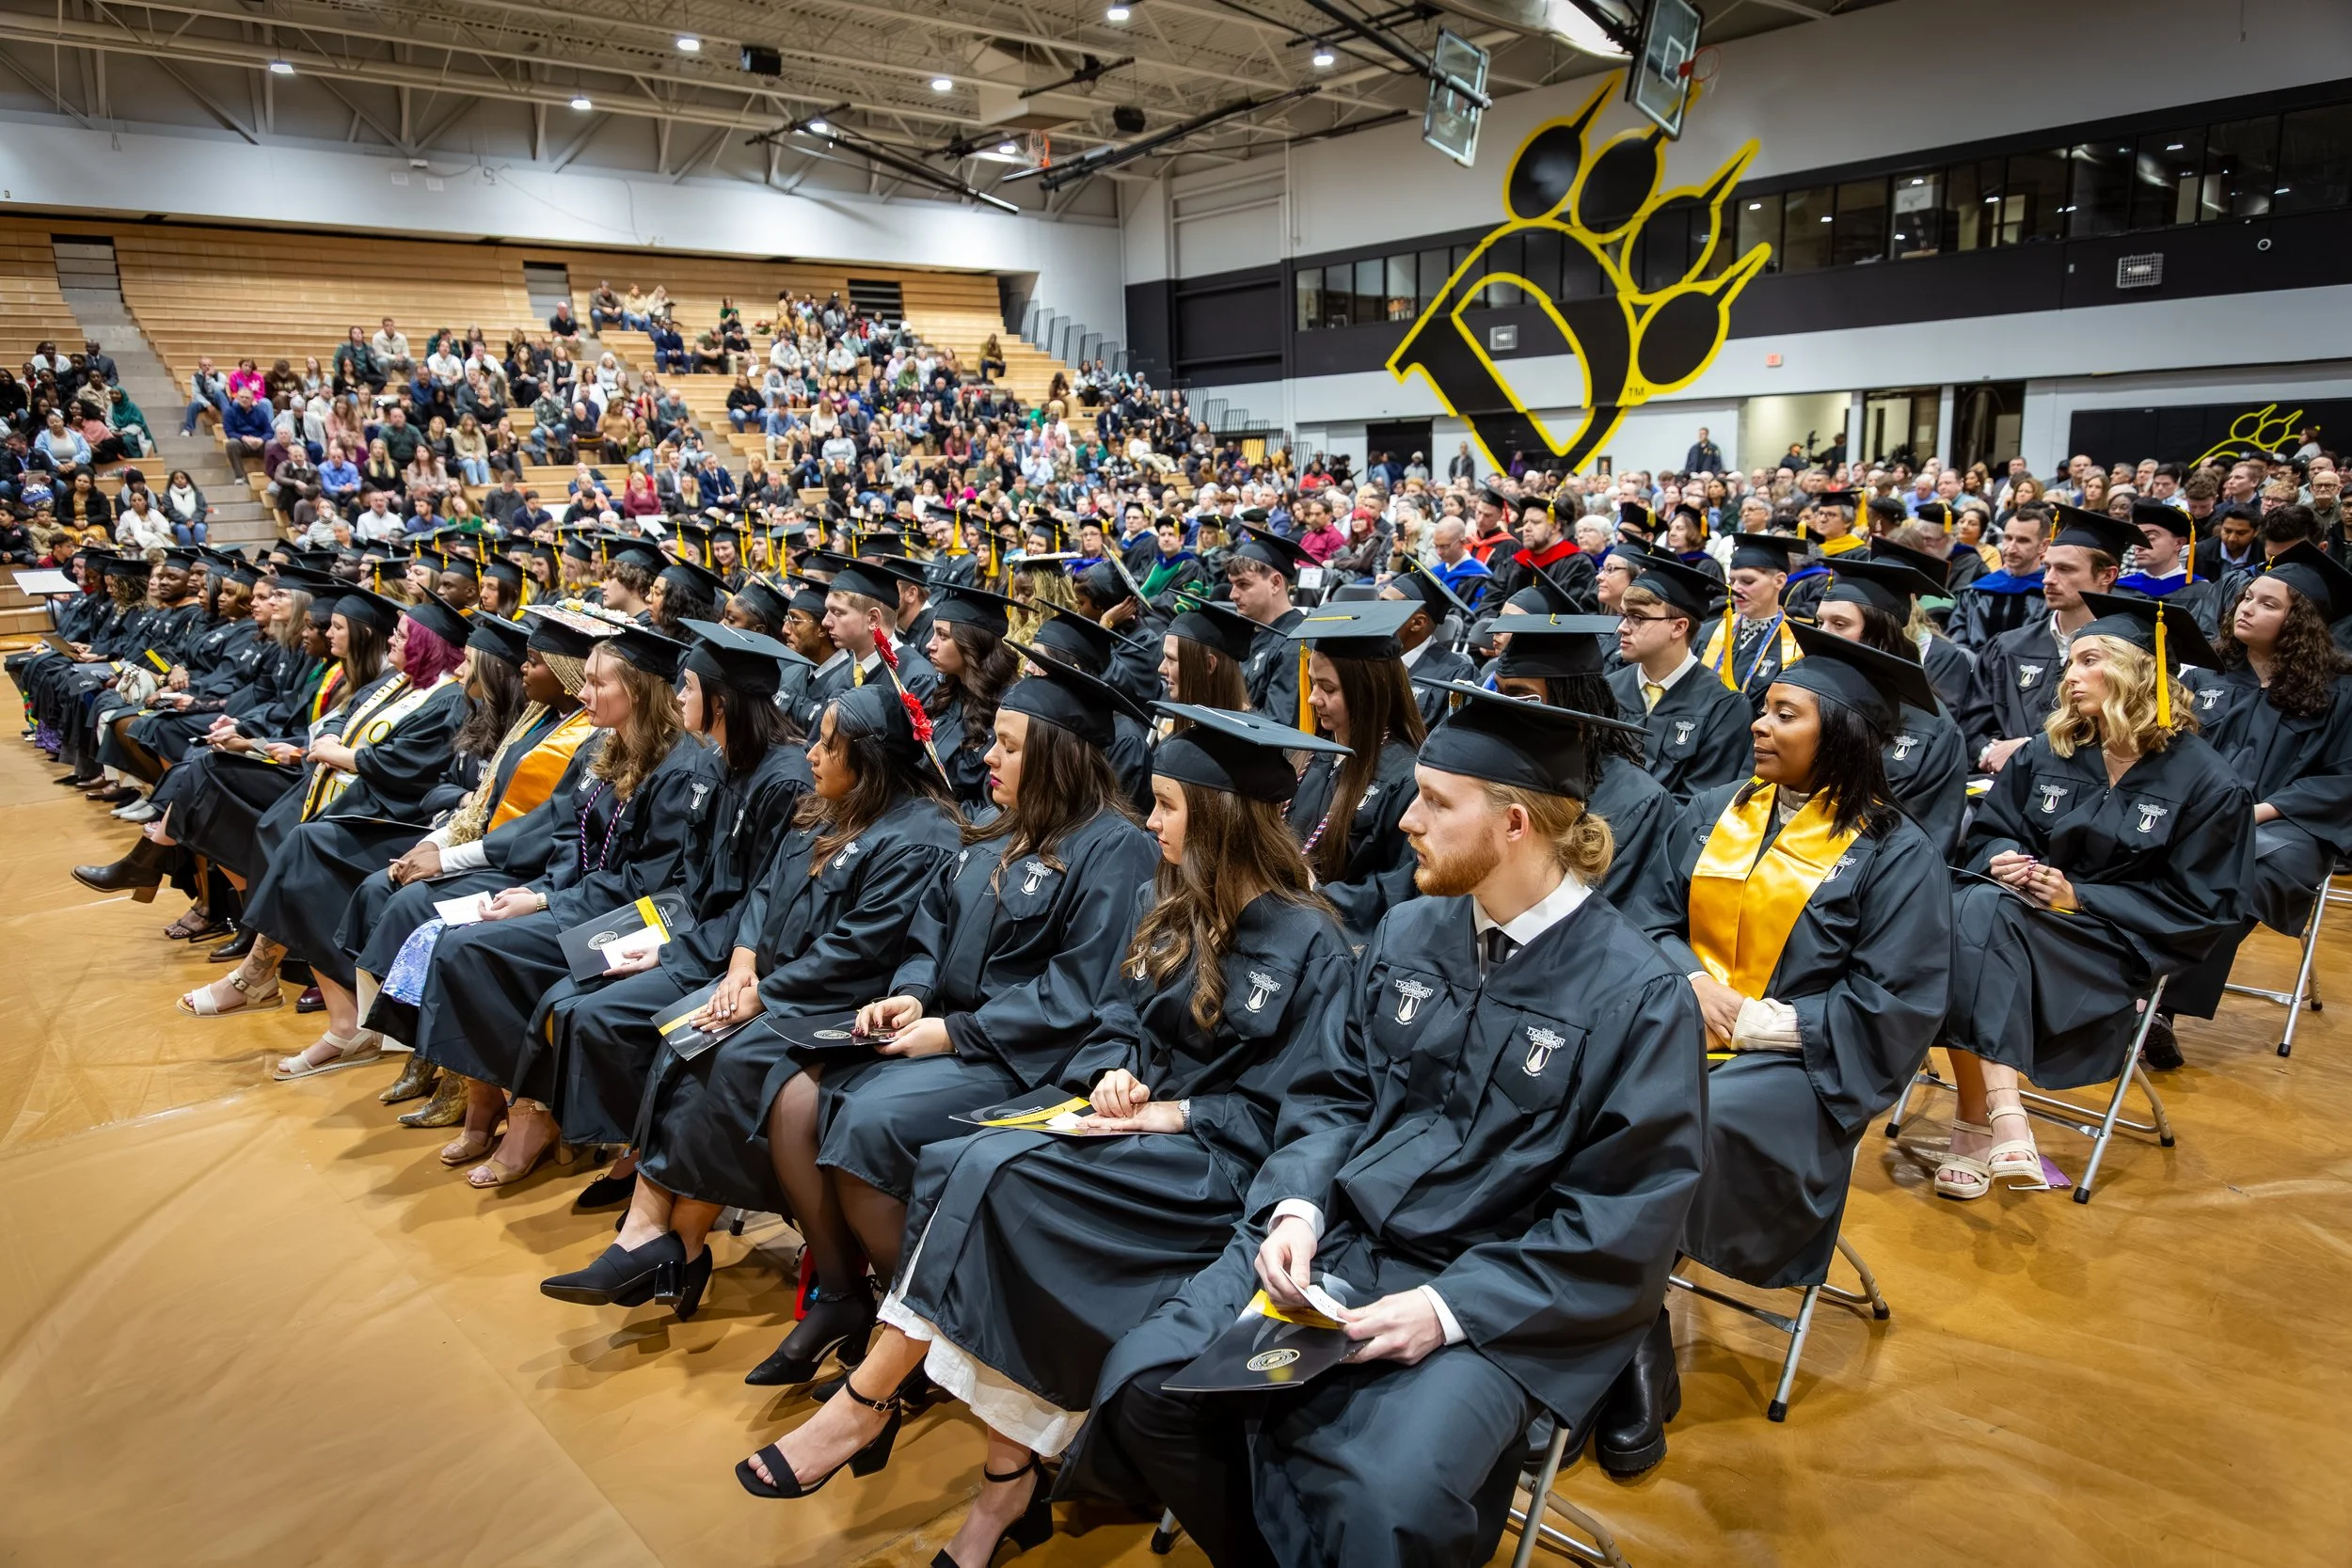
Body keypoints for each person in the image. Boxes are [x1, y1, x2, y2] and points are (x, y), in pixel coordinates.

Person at [1081, 688, 1706, 1563]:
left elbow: (1622, 1219)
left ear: (1515, 823)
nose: (1407, 820)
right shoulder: (1410, 932)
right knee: (1145, 1383)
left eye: (1437, 802)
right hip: (1341, 1242)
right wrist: (1297, 1207)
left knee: (1387, 1495)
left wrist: (1449, 1309)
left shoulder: (1637, 997)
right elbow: (1333, 1093)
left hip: (1495, 1297)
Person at [730, 705, 1353, 1568]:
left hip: (1214, 1164)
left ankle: (874, 1401)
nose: (1151, 821)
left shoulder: (1312, 942)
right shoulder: (1168, 900)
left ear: (1219, 818)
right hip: (1127, 1125)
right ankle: (999, 1473)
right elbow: (1114, 1018)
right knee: (966, 1160)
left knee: (998, 1178)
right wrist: (1115, 1071)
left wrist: (1176, 1111)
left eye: (1169, 806)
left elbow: (1306, 1108)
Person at [740, 648, 1161, 1387]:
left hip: (1024, 1057)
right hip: (945, 1030)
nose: (987, 756)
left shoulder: (1114, 848)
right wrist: (912, 992)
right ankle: (841, 1293)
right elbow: (931, 923)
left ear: (1058, 757)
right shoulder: (994, 821)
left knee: (864, 1123)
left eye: (1009, 746)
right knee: (795, 1094)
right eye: (993, 740)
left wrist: (953, 1031)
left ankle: (919, 1336)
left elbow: (1079, 988)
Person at [1623, 626, 1951, 1445]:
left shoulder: (1895, 850)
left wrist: (1758, 1022)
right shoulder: (1715, 809)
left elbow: (1896, 1000)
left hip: (1801, 1066)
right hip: (1676, 1022)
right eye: (1762, 710)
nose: (1759, 726)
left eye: (1784, 714)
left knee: (1679, 1122)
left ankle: (1623, 1334)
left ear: (1840, 734)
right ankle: (1626, 1319)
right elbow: (1646, 915)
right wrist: (1691, 981)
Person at [544, 681, 962, 1318]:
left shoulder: (919, 837)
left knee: (727, 1056)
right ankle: (659, 1236)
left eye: (829, 745)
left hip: (842, 1001)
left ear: (870, 759)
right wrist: (741, 966)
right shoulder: (828, 805)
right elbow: (763, 893)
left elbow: (859, 949)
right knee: (687, 1032)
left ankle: (668, 1241)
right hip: (779, 985)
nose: (812, 754)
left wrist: (763, 993)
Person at [1936, 594, 2251, 1199]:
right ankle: (2003, 1117)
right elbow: (1992, 830)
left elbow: (2206, 906)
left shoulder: (2208, 782)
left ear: (2138, 673)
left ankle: (1978, 1121)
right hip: (2016, 918)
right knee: (1980, 906)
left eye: (2088, 662)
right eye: (2070, 663)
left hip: (2111, 947)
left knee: (1970, 920)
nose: (2069, 676)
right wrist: (2003, 858)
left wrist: (2079, 897)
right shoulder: (2049, 749)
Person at [403, 624, 709, 1186]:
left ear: (637, 691)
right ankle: (492, 1099)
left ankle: (530, 1115)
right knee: (453, 942)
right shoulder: (602, 745)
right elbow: (568, 834)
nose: (582, 693)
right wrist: (541, 891)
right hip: (578, 897)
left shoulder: (680, 767)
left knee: (477, 953)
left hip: (639, 916)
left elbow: (649, 880)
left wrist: (549, 901)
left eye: (596, 683)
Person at [173, 591, 470, 1064]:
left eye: (402, 635)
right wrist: (330, 740)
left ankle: (260, 977)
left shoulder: (448, 699)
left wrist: (343, 755)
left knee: (304, 850)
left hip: (398, 816)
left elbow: (411, 768)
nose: (393, 641)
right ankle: (269, 981)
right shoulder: (398, 683)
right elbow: (344, 718)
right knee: (287, 835)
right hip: (355, 797)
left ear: (427, 644)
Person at [338, 608, 602, 1113]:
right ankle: (421, 1048)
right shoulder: (536, 720)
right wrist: (438, 845)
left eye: (534, 662)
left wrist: (447, 857)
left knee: (415, 909)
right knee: (379, 890)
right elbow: (483, 801)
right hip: (499, 852)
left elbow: (543, 828)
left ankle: (451, 1064)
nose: (523, 670)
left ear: (565, 673)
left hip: (529, 868)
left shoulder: (585, 740)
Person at [2164, 545, 2352, 1044]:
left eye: (2268, 604)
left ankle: (2161, 1007)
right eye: (2247, 597)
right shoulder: (2206, 674)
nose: (2246, 608)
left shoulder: (2340, 692)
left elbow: (2343, 778)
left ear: (2300, 623)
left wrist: (2260, 811)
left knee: (2240, 872)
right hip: (2198, 813)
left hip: (2290, 826)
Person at [1474, 613, 1674, 910]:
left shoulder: (1637, 802)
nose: (1504, 711)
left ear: (1572, 703)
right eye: (1500, 694)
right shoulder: (1489, 770)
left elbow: (1617, 914)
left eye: (1521, 697)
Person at [1281, 603, 1426, 940]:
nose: (1313, 699)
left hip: (1342, 940)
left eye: (1328, 688)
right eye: (1313, 683)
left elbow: (1402, 884)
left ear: (1367, 690)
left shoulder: (1406, 778)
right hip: (1287, 917)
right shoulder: (1309, 754)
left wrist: (1318, 893)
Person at [1963, 504, 2141, 773]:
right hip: (2001, 785)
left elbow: (2127, 738)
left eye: (2065, 569)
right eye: (2047, 567)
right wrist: (1991, 753)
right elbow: (1972, 725)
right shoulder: (2008, 646)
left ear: (2107, 575)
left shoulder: (2129, 653)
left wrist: (2028, 752)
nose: (2048, 579)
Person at [1809, 562, 1970, 855]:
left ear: (1880, 635)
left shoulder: (1933, 729)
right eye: (1820, 622)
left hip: (1873, 868)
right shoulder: (1804, 701)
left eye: (1840, 624)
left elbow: (1927, 840)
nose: (1824, 634)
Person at [1607, 552, 1752, 800]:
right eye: (1623, 615)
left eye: (1637, 617)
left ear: (1678, 627)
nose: (1622, 628)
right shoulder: (1610, 688)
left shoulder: (1724, 706)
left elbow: (1701, 804)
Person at [923, 583, 1022, 812]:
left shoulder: (1008, 710)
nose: (930, 645)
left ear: (972, 644)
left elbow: (992, 807)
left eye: (942, 636)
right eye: (933, 633)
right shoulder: (947, 693)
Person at [1700, 532, 1804, 710]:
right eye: (1732, 580)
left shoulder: (1796, 646)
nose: (1736, 589)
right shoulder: (1708, 633)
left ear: (1779, 581)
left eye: (1747, 581)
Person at [1227, 525, 1312, 724]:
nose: (1232, 595)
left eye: (1243, 584)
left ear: (1275, 583)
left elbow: (1278, 725)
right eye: (1232, 584)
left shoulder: (1296, 643)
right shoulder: (1245, 634)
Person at [1377, 562, 1477, 727]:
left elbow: (1446, 738)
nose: (1374, 612)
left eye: (1385, 605)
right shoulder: (1367, 658)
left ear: (1417, 623)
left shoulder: (1457, 676)